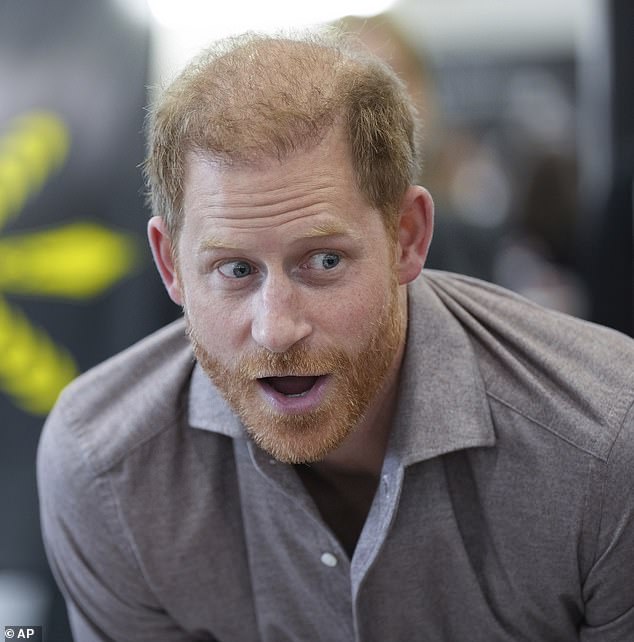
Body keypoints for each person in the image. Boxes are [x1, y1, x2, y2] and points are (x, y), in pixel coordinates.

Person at [37, 31, 634, 642]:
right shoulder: (107, 466)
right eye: (236, 270)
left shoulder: (603, 445)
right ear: (170, 267)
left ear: (407, 236)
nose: (277, 331)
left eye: (323, 262)